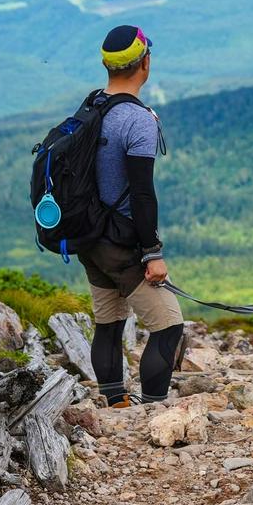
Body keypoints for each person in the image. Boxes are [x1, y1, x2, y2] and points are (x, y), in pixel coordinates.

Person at [77, 25, 183, 407]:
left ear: (107, 65)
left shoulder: (91, 106)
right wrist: (152, 252)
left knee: (109, 322)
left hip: (88, 236)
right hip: (121, 242)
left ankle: (116, 402)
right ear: (145, 63)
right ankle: (152, 409)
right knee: (169, 326)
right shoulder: (137, 120)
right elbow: (141, 192)